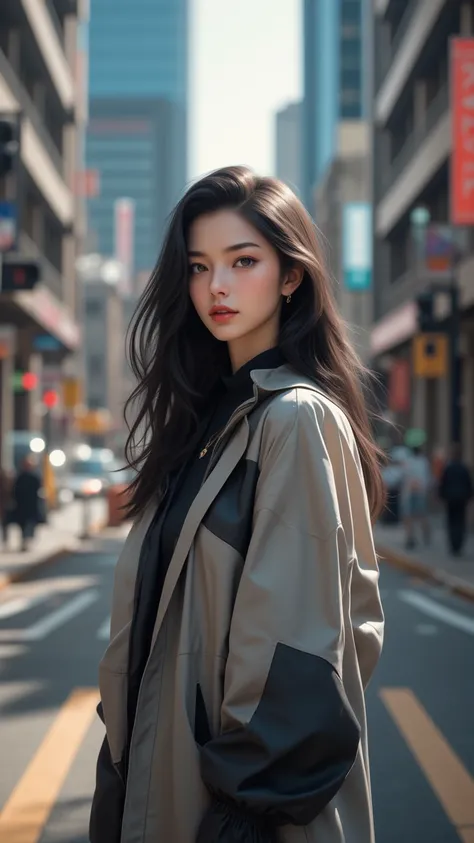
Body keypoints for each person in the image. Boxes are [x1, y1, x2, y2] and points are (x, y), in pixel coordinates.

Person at [90, 166, 385, 843]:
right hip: (157, 786)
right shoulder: (201, 429)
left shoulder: (296, 420)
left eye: (242, 260)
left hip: (239, 815)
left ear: (291, 276)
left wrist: (239, 819)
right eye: (198, 266)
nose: (215, 287)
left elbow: (298, 654)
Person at [438, 443, 473, 556]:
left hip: (451, 499)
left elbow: (443, 483)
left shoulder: (448, 468)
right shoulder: (464, 468)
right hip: (461, 498)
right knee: (460, 521)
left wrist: (442, 495)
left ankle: (454, 545)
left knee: (452, 521)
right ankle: (458, 544)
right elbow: (469, 484)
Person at [400, 444, 432, 550]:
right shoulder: (424, 462)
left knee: (409, 516)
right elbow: (427, 478)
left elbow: (404, 476)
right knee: (421, 515)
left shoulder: (408, 462)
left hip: (410, 492)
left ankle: (410, 538)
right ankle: (425, 536)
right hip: (420, 492)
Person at [12, 456, 42, 552]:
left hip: (31, 505)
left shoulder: (34, 477)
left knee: (31, 524)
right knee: (22, 525)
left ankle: (28, 540)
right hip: (21, 505)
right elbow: (15, 491)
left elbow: (38, 490)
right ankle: (24, 541)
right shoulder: (20, 477)